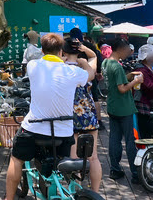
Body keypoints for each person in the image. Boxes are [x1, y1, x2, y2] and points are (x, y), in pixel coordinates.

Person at [4, 33, 95, 200]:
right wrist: (83, 63)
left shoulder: (33, 65)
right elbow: (91, 74)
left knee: (16, 160)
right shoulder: (73, 71)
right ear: (61, 51)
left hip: (34, 129)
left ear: (42, 50)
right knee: (58, 167)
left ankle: (8, 199)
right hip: (63, 133)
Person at [62, 37, 102, 192]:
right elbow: (93, 56)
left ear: (63, 50)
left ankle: (75, 191)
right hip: (89, 115)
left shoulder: (61, 67)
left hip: (71, 116)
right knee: (93, 158)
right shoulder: (86, 68)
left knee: (74, 158)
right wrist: (83, 49)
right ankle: (96, 193)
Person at [102, 37, 143, 183]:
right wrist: (135, 81)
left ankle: (115, 169)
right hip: (124, 108)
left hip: (112, 106)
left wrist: (129, 76)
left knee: (114, 139)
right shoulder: (117, 66)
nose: (128, 52)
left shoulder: (106, 62)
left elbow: (115, 82)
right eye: (127, 49)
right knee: (131, 141)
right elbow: (122, 88)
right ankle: (136, 174)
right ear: (120, 49)